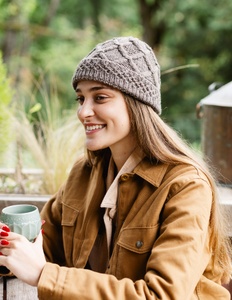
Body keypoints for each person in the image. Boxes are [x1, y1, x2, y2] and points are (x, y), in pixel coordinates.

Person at [0, 36, 231, 299]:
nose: (83, 112)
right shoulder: (84, 173)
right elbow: (44, 247)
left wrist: (44, 275)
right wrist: (8, 250)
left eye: (99, 97)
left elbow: (161, 295)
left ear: (137, 104)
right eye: (80, 99)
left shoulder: (186, 187)